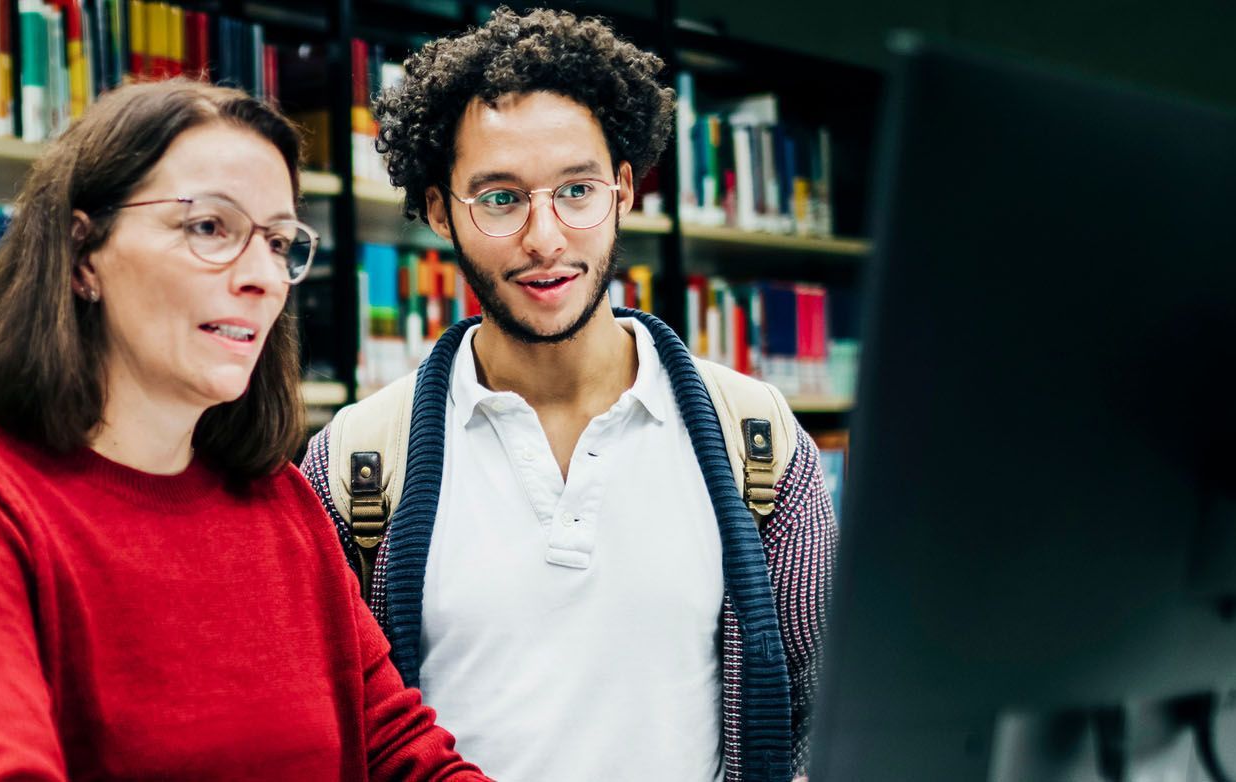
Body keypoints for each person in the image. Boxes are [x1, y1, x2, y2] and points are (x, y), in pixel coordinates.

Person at [0, 79, 487, 782]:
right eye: (209, 228)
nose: (262, 277)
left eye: (278, 241)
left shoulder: (280, 502)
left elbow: (401, 753)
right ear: (82, 254)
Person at [298, 8, 838, 782]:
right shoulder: (352, 463)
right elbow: (342, 731)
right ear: (438, 209)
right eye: (499, 198)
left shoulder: (756, 437)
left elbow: (813, 718)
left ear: (622, 190)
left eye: (575, 189)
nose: (545, 237)